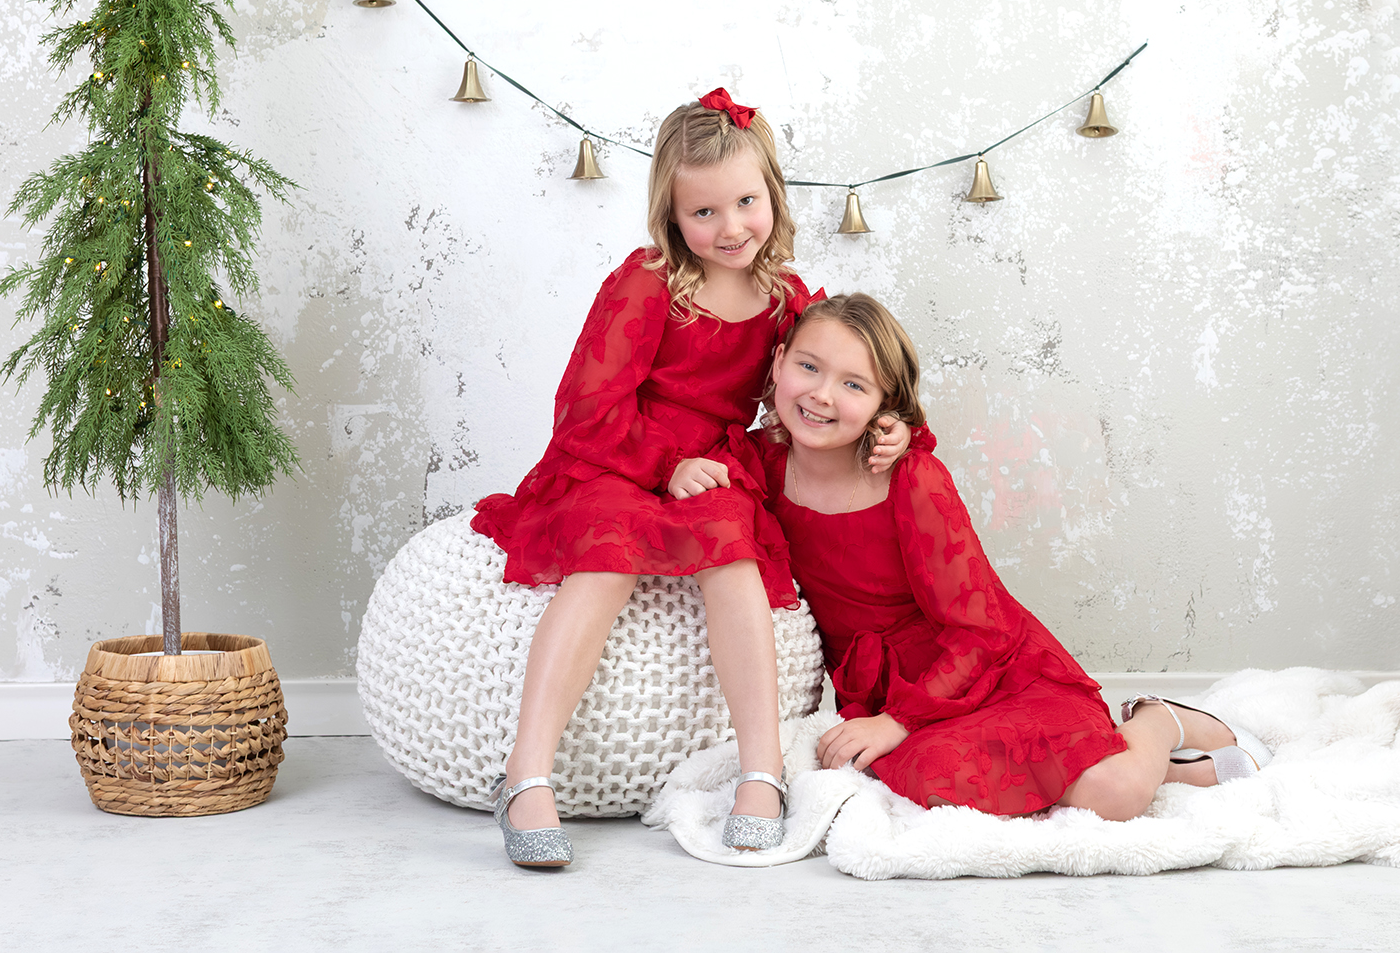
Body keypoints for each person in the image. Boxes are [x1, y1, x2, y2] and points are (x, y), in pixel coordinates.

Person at [472, 92, 909, 865]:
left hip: (713, 463)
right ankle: (526, 772)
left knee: (733, 553)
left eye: (747, 202)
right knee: (605, 557)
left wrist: (890, 424)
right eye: (705, 212)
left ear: (773, 193)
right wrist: (664, 465)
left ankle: (761, 770)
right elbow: (585, 403)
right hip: (619, 452)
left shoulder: (785, 300)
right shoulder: (648, 283)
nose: (732, 227)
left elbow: (818, 385)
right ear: (673, 217)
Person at [716, 293, 1270, 821]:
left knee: (1115, 792)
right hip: (888, 687)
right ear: (779, 361)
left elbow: (980, 631)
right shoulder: (758, 463)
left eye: (853, 384)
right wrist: (678, 470)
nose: (821, 395)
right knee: (943, 777)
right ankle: (1184, 774)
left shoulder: (912, 478)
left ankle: (1157, 722)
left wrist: (899, 721)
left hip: (984, 667)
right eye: (809, 368)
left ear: (884, 407)